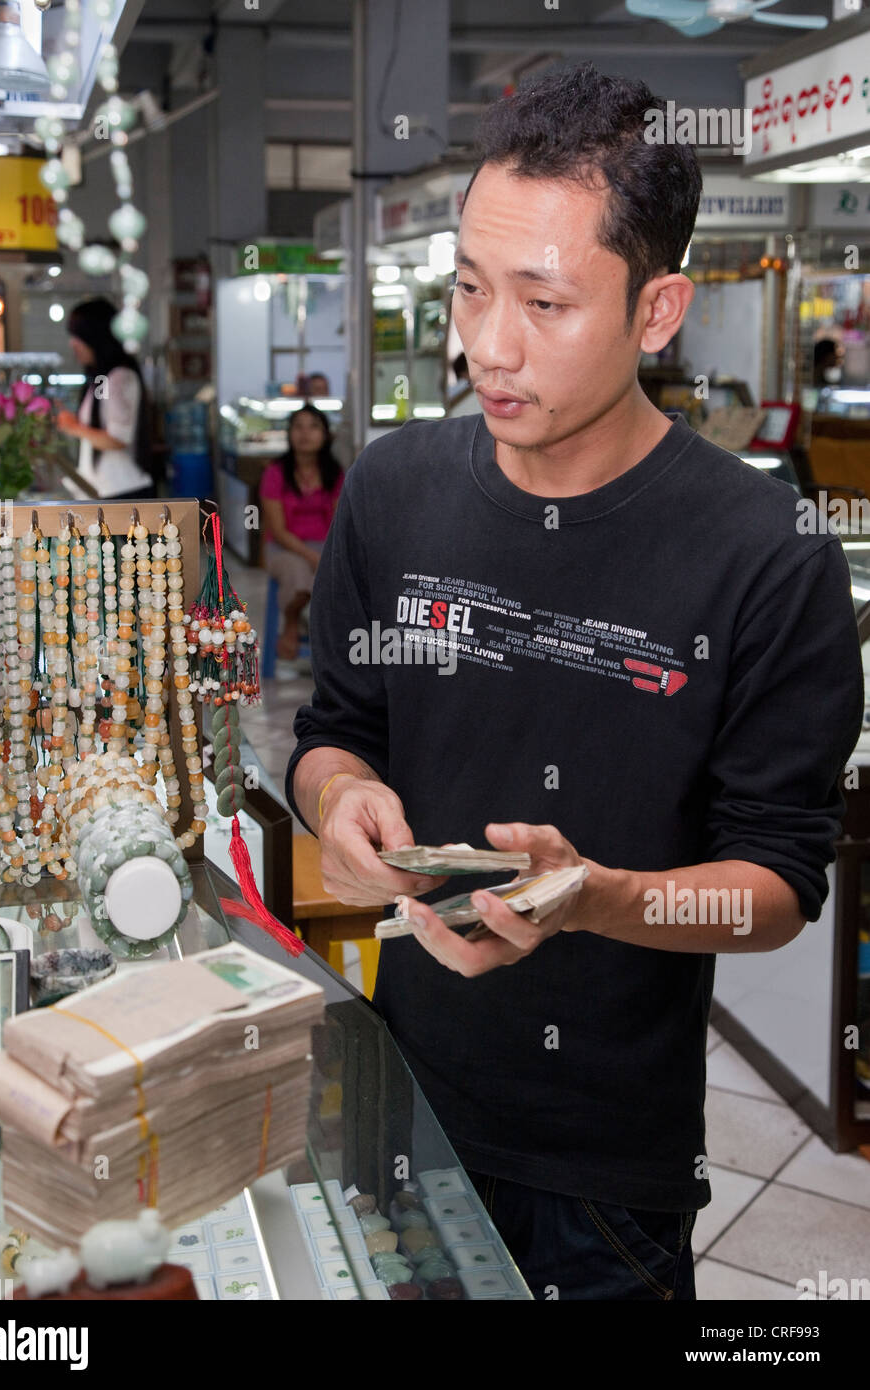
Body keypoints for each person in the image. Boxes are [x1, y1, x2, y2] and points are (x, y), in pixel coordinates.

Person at [285, 64, 864, 1301]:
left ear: (659, 312)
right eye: (471, 288)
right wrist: (338, 801)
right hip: (402, 1091)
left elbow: (775, 883)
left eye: (545, 303)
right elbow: (336, 732)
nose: (486, 347)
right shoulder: (395, 491)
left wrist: (596, 899)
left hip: (605, 1169)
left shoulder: (766, 556)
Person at [259, 403, 344, 661]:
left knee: (344, 578)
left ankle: (334, 643)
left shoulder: (335, 473)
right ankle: (292, 624)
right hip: (282, 548)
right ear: (289, 433)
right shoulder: (275, 472)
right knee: (297, 573)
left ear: (326, 434)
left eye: (313, 426)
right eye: (298, 426)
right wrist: (312, 557)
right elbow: (278, 530)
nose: (305, 433)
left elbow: (339, 523)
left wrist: (328, 555)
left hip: (323, 546)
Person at [55, 297, 154, 500]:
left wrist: (73, 427)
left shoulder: (120, 377)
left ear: (95, 336)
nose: (72, 343)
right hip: (104, 490)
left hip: (121, 492)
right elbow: (98, 423)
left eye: (78, 336)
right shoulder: (101, 378)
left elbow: (117, 439)